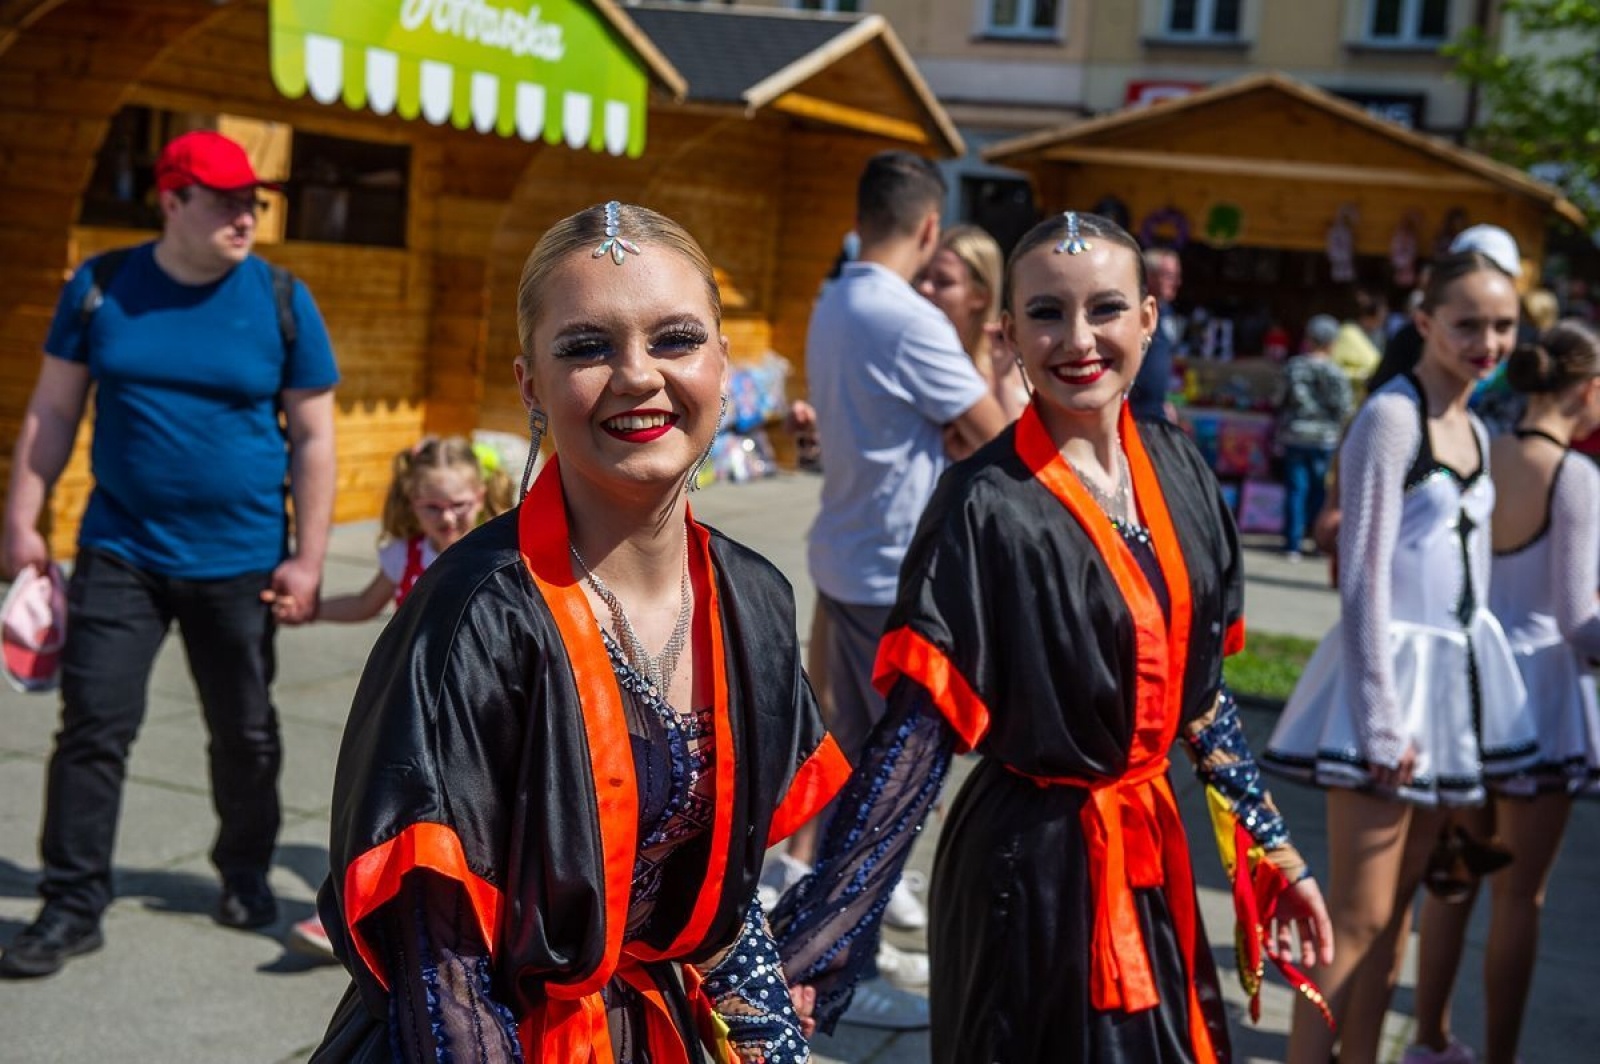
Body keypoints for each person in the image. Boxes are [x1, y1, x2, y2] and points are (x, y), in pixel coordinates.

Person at [774, 211, 1333, 1063]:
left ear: (1149, 317)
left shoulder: (1180, 468)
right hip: (1025, 879)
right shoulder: (982, 502)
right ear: (1007, 333)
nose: (1078, 339)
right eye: (1046, 313)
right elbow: (915, 745)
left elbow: (1203, 700)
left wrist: (1272, 848)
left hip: (1149, 853)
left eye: (1106, 308)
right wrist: (820, 942)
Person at [307, 201, 849, 1063]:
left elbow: (723, 901)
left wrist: (768, 1037)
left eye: (674, 339)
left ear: (721, 360)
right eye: (588, 347)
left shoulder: (753, 598)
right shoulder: (472, 618)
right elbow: (440, 968)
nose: (637, 376)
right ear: (531, 384)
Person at [0, 129, 338, 979]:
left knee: (247, 735)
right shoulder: (103, 285)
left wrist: (309, 558)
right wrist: (21, 521)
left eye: (252, 200)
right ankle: (72, 904)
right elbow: (51, 412)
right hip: (121, 552)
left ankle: (244, 873)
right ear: (172, 200)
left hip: (243, 560)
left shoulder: (284, 298)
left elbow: (315, 438)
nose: (246, 214)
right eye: (224, 199)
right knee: (94, 729)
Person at [1263, 251, 1537, 1064]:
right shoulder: (1392, 416)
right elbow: (1362, 576)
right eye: (1468, 324)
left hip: (1445, 697)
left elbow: (1470, 585)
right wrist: (1381, 721)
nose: (1487, 341)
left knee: (1396, 922)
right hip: (1383, 692)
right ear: (1424, 323)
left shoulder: (1479, 428)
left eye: (1503, 325)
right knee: (1356, 919)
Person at [783, 151, 1005, 984]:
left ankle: (835, 945)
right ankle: (843, 968)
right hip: (893, 575)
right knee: (890, 785)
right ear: (927, 227)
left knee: (856, 767)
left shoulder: (836, 297)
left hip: (848, 557)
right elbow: (996, 437)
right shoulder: (904, 317)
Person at [1405, 320, 1600, 1064]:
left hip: (1471, 687)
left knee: (1452, 872)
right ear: (1588, 389)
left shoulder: (1482, 453)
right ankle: (1498, 1057)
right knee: (1520, 896)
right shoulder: (1574, 475)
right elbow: (1579, 619)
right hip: (1541, 700)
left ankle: (1428, 1041)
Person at [280, 435, 512, 962]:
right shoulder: (406, 554)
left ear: (481, 494)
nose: (448, 518)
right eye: (432, 506)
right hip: (417, 704)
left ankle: (478, 913)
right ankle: (350, 910)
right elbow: (366, 603)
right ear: (411, 503)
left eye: (459, 505)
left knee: (477, 813)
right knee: (385, 806)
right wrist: (308, 610)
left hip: (483, 706)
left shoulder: (502, 546)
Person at [916, 223, 1030, 422]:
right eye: (922, 276)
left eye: (943, 282)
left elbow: (1017, 445)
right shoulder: (917, 353)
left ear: (980, 296)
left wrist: (1002, 381)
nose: (925, 288)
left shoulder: (1008, 364)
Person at [1276, 314, 1353, 560]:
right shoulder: (1337, 373)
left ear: (1309, 340)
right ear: (1332, 342)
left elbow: (1279, 398)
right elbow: (1345, 408)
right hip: (1325, 439)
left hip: (1296, 435)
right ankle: (1318, 542)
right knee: (1320, 491)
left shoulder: (1294, 367)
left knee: (1296, 489)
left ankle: (1292, 543)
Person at [1127, 245, 1182, 421]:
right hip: (1132, 412)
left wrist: (1166, 401)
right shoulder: (1132, 311)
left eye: (1176, 276)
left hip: (1156, 412)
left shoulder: (1166, 312)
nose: (1176, 282)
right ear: (1148, 276)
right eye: (1169, 276)